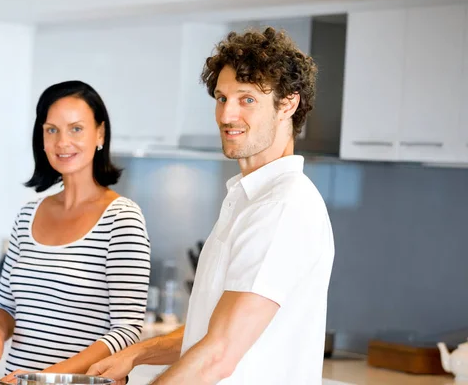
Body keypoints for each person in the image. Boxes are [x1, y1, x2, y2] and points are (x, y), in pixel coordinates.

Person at [87, 27, 335, 384]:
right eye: (221, 98)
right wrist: (138, 353)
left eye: (247, 99)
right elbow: (210, 329)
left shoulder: (283, 206)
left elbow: (218, 354)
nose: (226, 115)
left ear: (288, 104)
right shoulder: (249, 200)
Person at [0, 80, 151, 382]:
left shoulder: (122, 218)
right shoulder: (29, 213)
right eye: (51, 129)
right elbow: (4, 304)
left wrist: (42, 379)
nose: (62, 142)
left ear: (100, 133)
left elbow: (127, 330)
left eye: (76, 129)